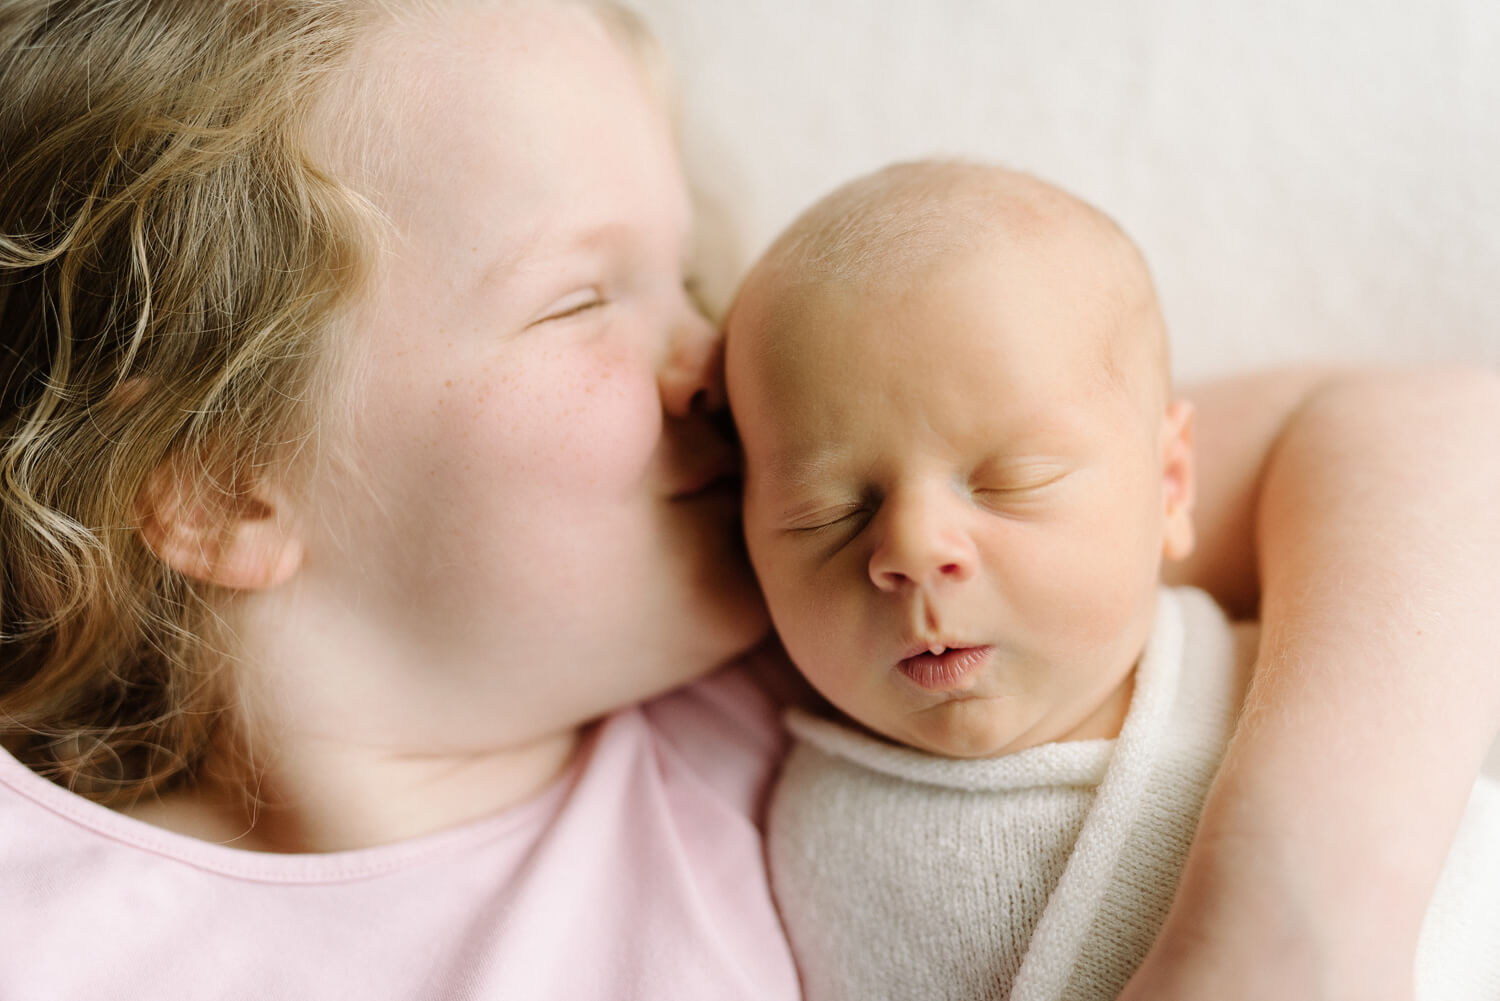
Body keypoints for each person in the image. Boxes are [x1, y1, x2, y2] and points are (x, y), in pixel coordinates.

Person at [0, 3, 1498, 999]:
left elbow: (1424, 437)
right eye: (583, 297)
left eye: (692, 281)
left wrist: (1288, 915)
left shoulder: (840, 623)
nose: (714, 360)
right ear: (213, 480)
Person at [725, 159, 1500, 1000]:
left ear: (1170, 484)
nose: (911, 547)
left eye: (1011, 480)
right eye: (825, 512)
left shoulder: (1305, 675)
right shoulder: (779, 835)